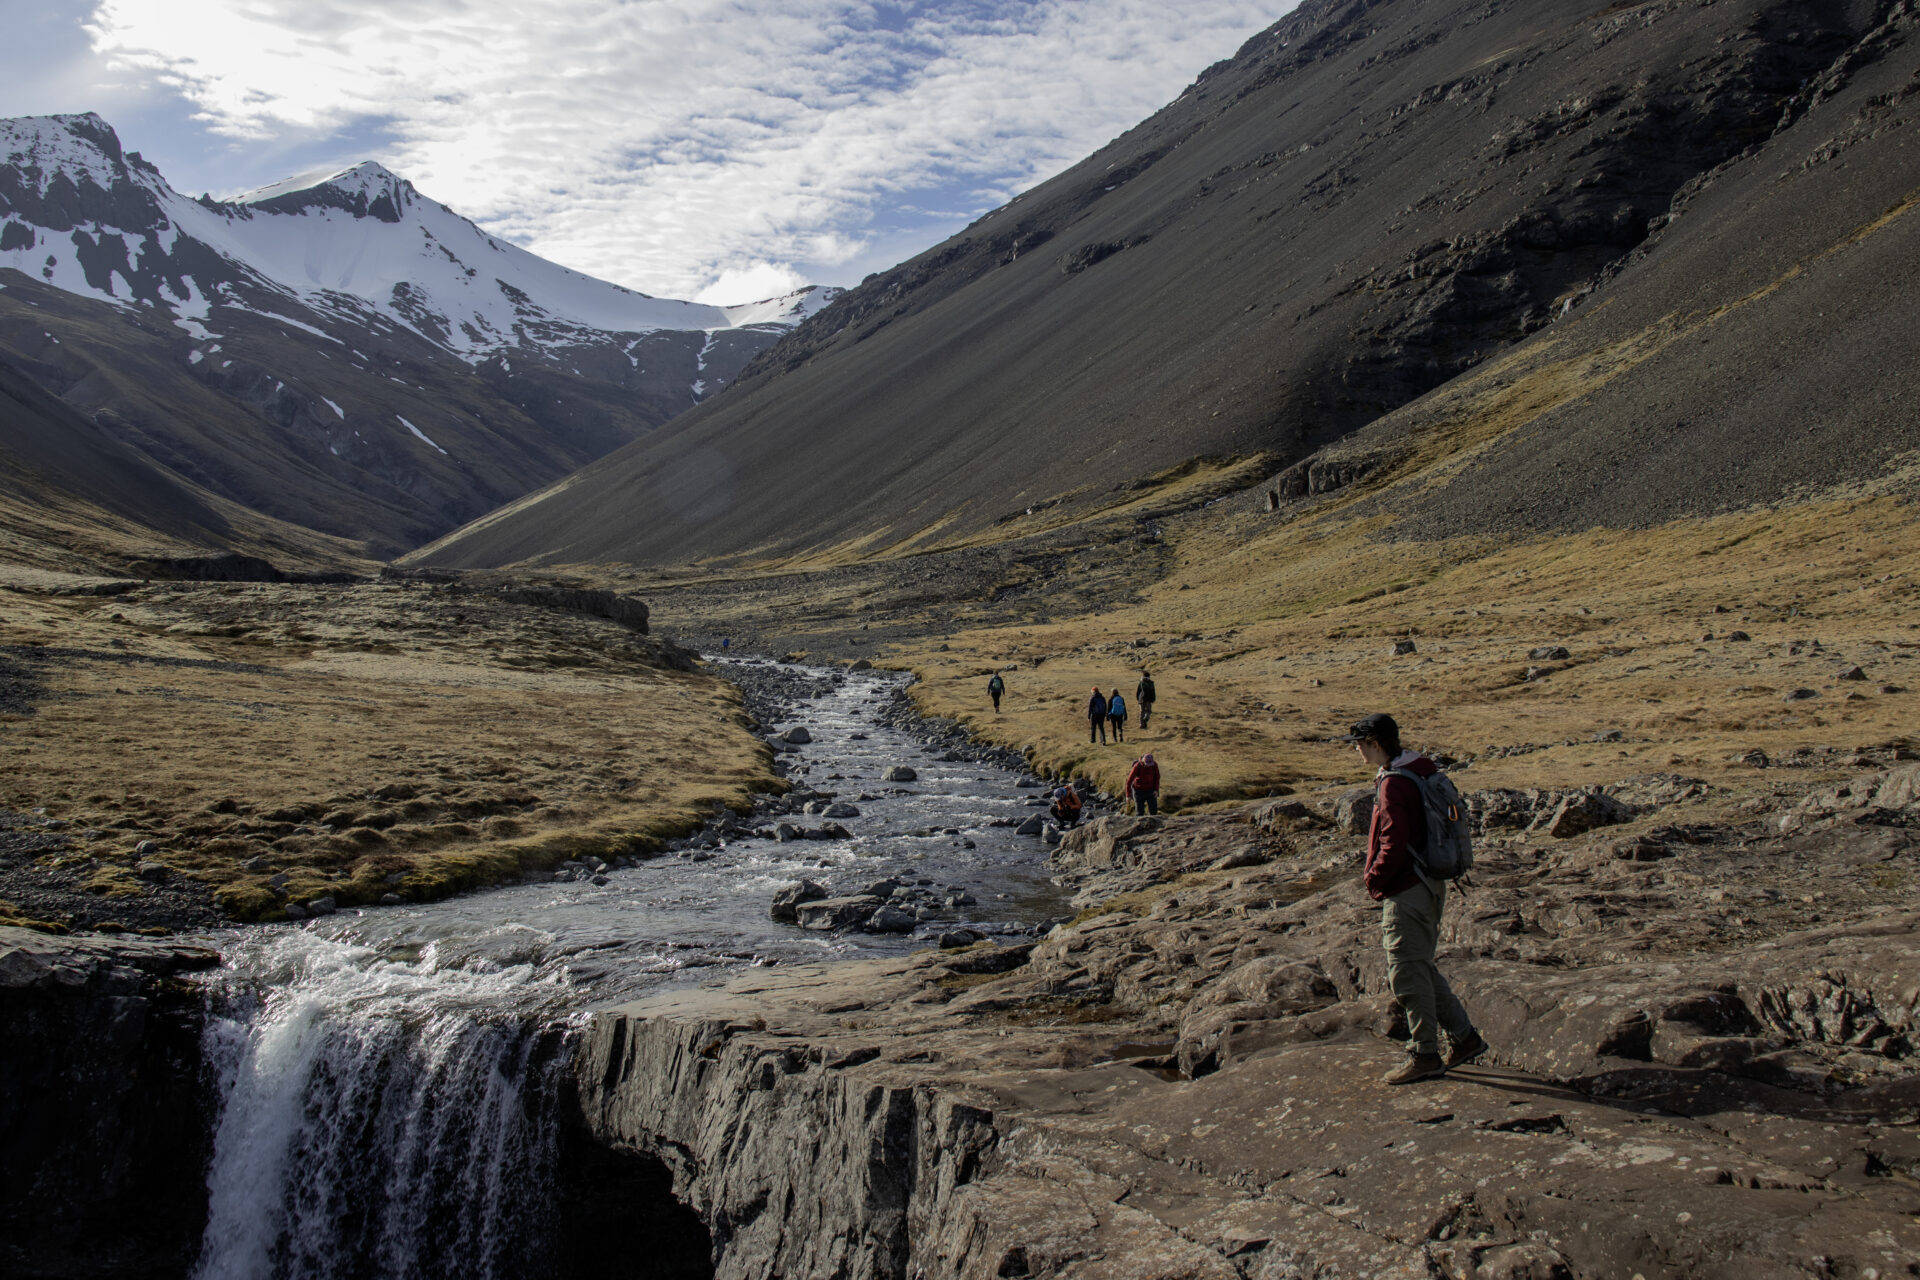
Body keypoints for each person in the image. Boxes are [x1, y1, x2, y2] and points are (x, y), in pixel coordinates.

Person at [1343, 712, 1488, 1085]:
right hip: (1429, 881)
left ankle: (1425, 1053)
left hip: (1408, 886)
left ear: (1375, 744)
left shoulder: (1394, 784)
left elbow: (1392, 843)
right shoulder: (1420, 769)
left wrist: (1374, 878)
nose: (1358, 751)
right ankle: (1464, 1038)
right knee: (1419, 963)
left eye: (1360, 744)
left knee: (1406, 969)